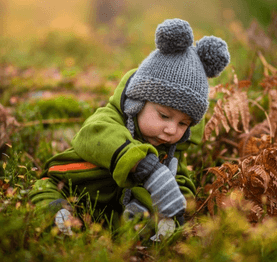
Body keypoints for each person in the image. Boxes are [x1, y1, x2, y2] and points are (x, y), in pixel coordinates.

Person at [29, 18, 230, 236]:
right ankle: (59, 218)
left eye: (183, 123)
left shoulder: (169, 151)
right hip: (68, 184)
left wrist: (176, 206)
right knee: (46, 192)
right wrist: (144, 165)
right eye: (164, 116)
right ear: (137, 103)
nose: (172, 130)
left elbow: (180, 180)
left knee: (150, 216)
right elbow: (94, 134)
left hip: (109, 211)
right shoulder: (110, 119)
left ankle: (138, 228)